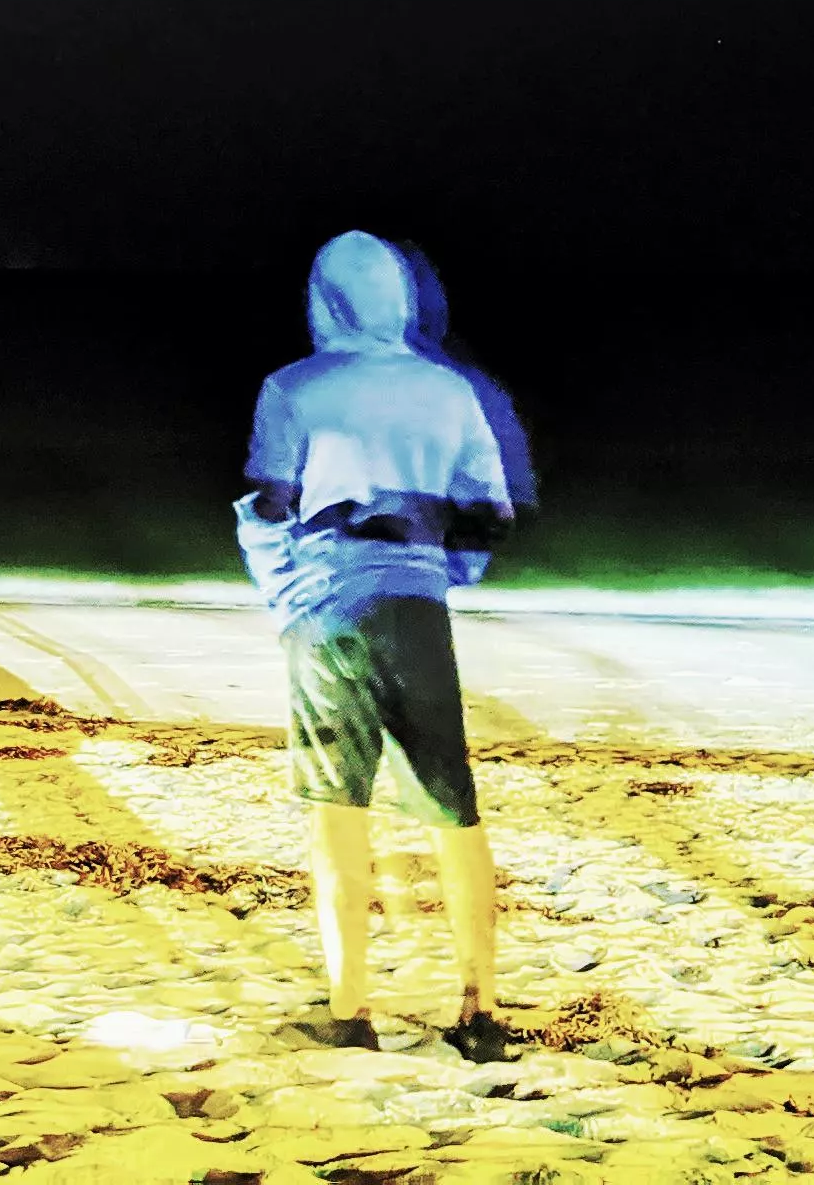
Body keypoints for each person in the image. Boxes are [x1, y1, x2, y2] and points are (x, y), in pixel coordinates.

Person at [235, 230, 531, 1062]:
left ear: (323, 299)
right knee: (453, 811)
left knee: (338, 813)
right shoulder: (449, 392)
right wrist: (441, 570)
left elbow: (269, 507)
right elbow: (490, 515)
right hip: (418, 610)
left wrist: (286, 596)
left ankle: (352, 1009)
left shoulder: (294, 388)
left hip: (329, 614)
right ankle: (479, 1011)